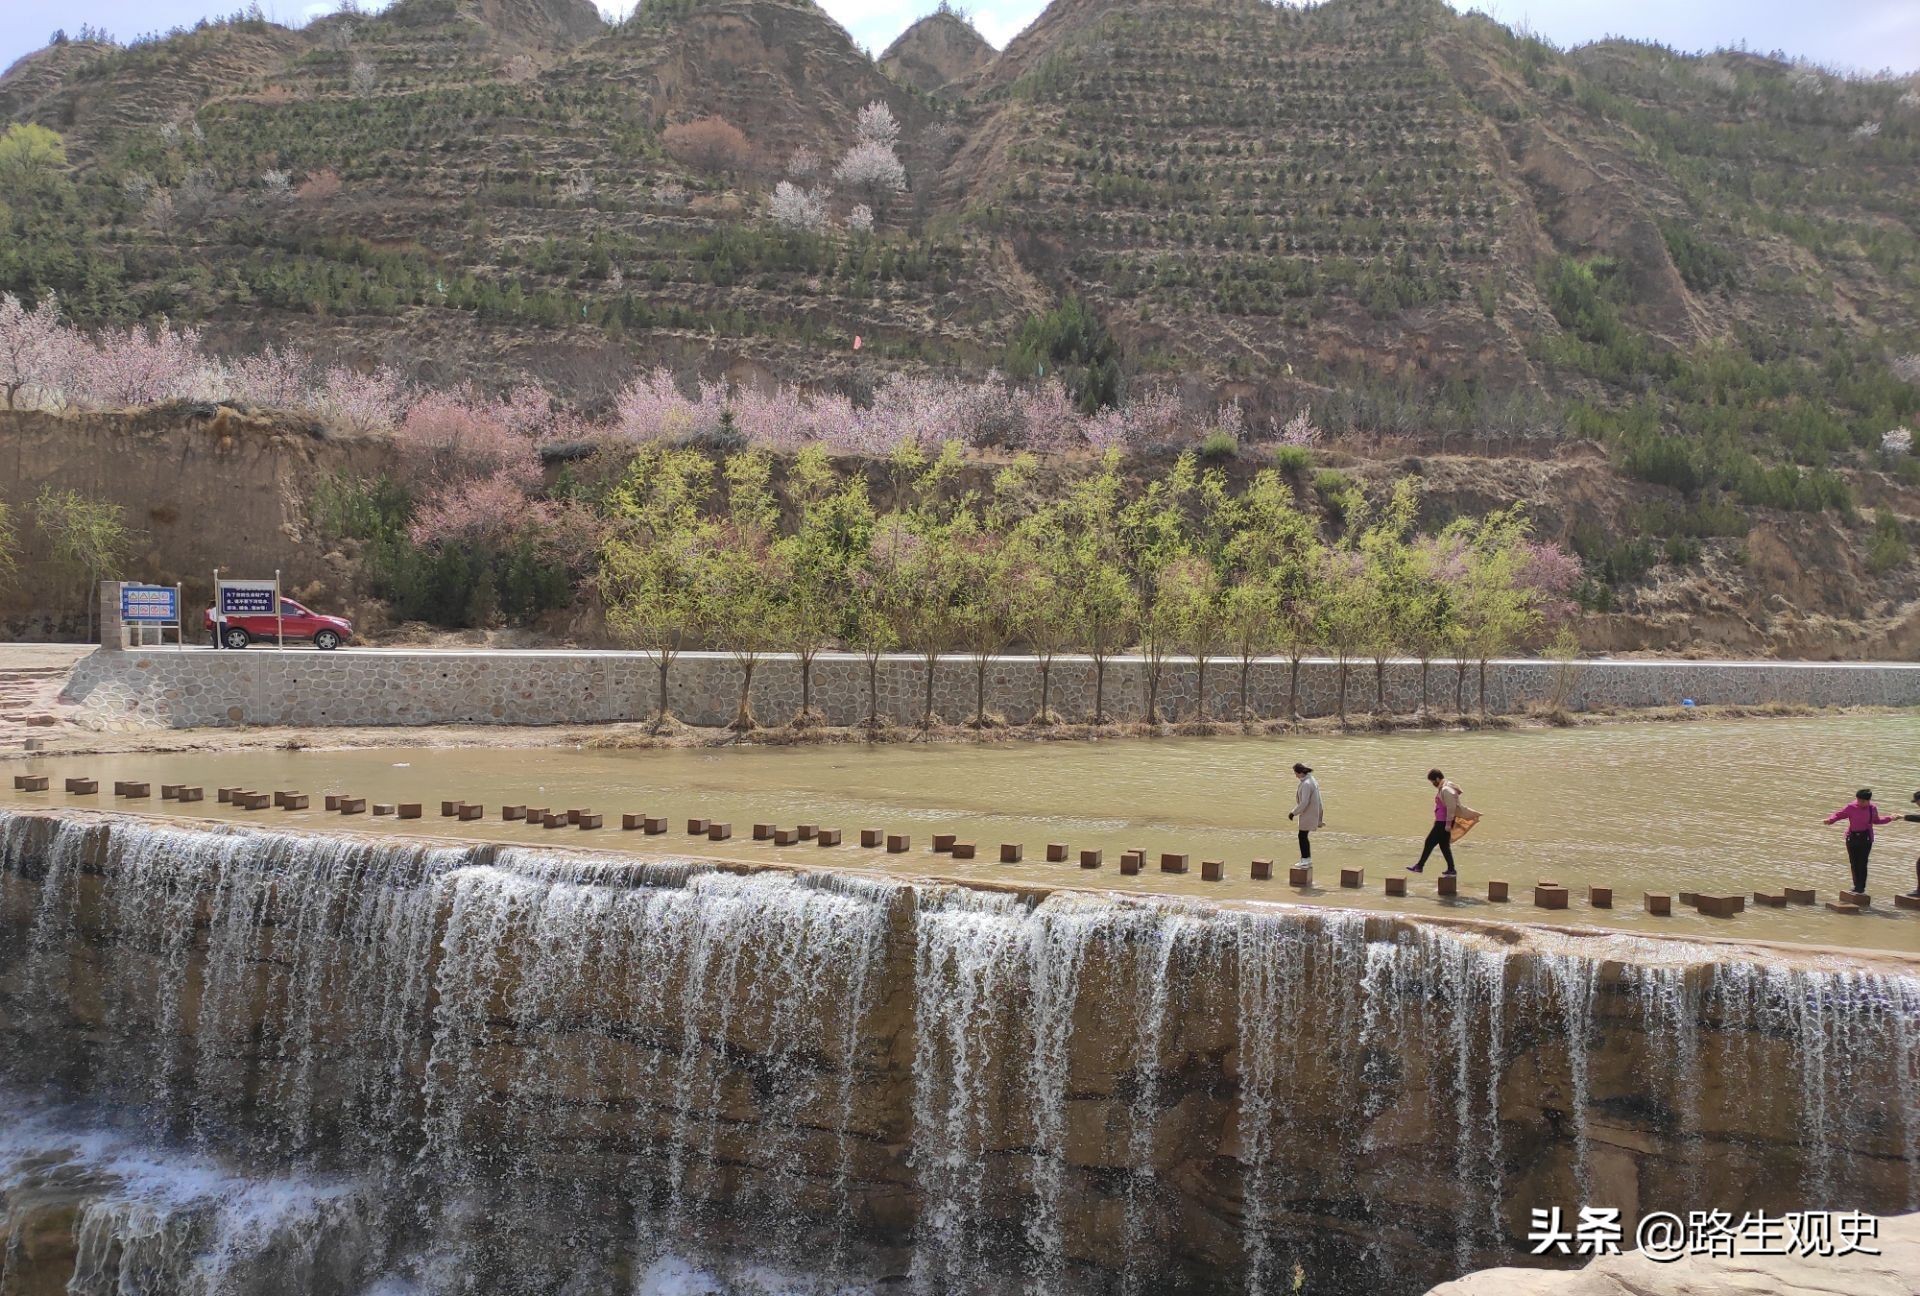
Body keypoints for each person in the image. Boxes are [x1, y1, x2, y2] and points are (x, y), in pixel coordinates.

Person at [1824, 788, 1893, 895]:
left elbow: (1877, 820)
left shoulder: (1872, 808)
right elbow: (1839, 814)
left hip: (1866, 839)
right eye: (1858, 800)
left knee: (1862, 863)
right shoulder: (1851, 807)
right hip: (1852, 838)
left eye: (1863, 801)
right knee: (1854, 863)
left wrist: (1890, 818)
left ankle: (1861, 888)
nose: (1860, 803)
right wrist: (1830, 820)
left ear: (1868, 800)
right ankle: (1856, 886)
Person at [1410, 768, 1463, 875]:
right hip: (1442, 821)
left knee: (1429, 842)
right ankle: (1451, 869)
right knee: (1444, 846)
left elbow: (1451, 807)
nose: (1433, 784)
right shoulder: (1446, 786)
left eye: (1433, 781)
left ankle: (1419, 866)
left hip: (1443, 823)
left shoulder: (1445, 790)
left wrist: (1448, 824)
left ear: (1438, 778)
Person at [1287, 762, 1322, 867]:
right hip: (1312, 812)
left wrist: (1293, 813)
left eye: (1296, 773)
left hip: (1308, 813)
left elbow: (1304, 802)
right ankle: (1306, 859)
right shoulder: (1311, 780)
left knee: (1302, 836)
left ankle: (1306, 859)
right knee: (1303, 835)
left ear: (1301, 772)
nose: (1295, 776)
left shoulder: (1307, 784)